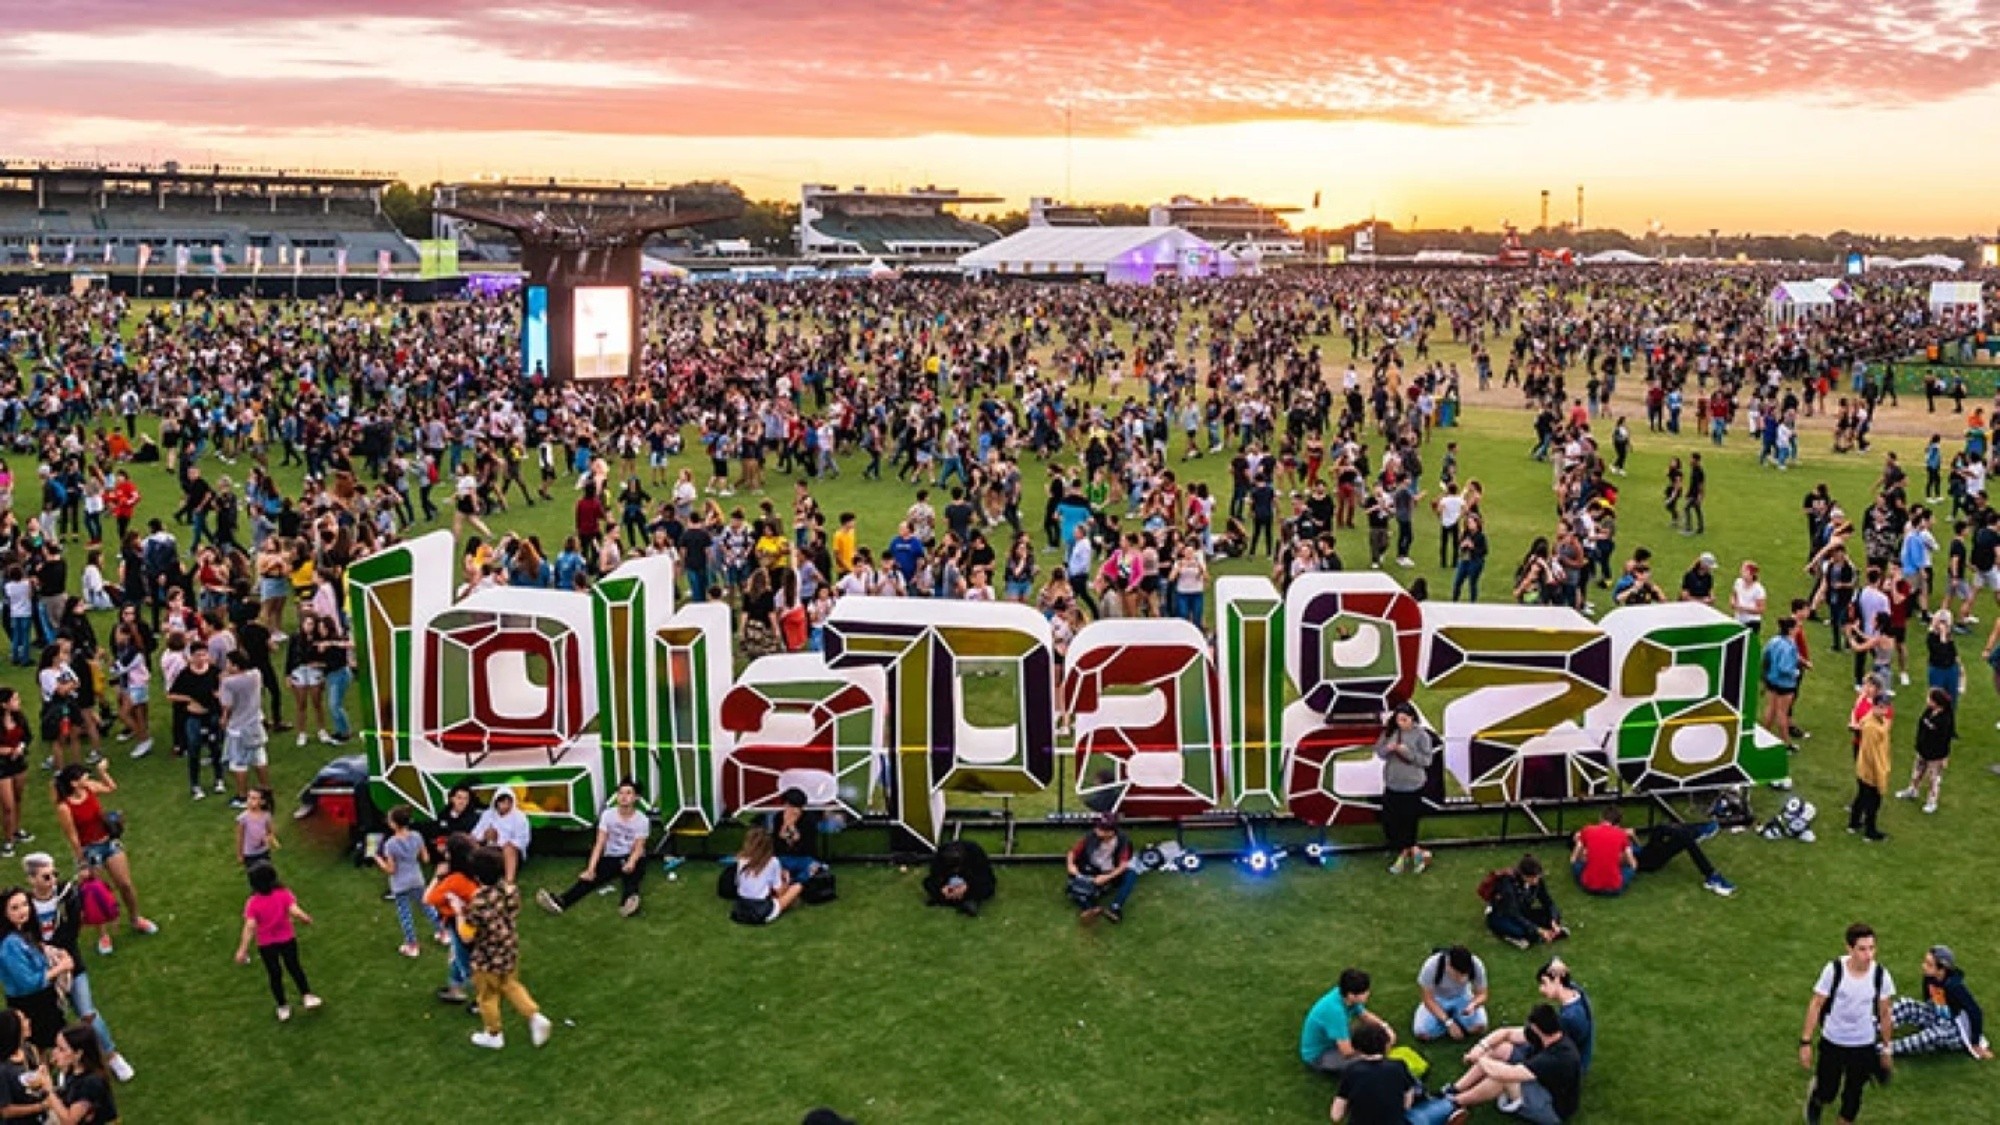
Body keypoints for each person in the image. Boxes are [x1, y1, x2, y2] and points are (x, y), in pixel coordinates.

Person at [21, 854, 133, 1082]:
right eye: (46, 876)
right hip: (44, 972)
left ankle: (111, 1056)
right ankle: (64, 1069)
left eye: (54, 874)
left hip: (72, 965)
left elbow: (72, 930)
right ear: (32, 879)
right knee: (53, 1023)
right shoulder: (26, 905)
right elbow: (25, 935)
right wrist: (45, 953)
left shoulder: (67, 894)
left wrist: (55, 952)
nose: (52, 879)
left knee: (88, 1013)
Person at [51, 765, 156, 952]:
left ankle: (135, 919)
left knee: (125, 884)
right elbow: (72, 836)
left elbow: (110, 788)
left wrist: (103, 772)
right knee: (96, 892)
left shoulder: (89, 787)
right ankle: (103, 935)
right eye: (83, 776)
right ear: (74, 783)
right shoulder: (64, 807)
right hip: (89, 850)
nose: (87, 777)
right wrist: (82, 861)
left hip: (108, 843)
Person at [1801, 923, 1896, 1125]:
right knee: (1828, 1091)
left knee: (1853, 1095)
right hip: (1833, 1040)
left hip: (1863, 1043)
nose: (1868, 954)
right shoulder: (1834, 970)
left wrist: (1887, 1049)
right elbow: (1816, 1003)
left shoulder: (1880, 976)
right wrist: (1806, 1042)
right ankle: (1817, 1098)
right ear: (1849, 948)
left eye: (1872, 948)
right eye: (1862, 949)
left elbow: (1885, 1013)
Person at [461, 845, 552, 1049]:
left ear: (477, 875)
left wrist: (460, 912)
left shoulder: (478, 902)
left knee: (487, 996)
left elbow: (467, 936)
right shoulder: (510, 889)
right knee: (511, 985)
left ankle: (494, 1034)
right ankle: (535, 1016)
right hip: (509, 948)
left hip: (487, 957)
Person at [1440, 1004, 1581, 1125]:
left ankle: (1455, 1102)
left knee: (1502, 1080)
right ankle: (1455, 1089)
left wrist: (1479, 1059)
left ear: (1537, 1028)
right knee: (1501, 1049)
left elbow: (1506, 1074)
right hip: (1540, 1079)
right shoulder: (1551, 1033)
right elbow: (1506, 1033)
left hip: (1552, 1107)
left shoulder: (1557, 1057)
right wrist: (1480, 1048)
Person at [537, 779, 650, 919]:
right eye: (620, 793)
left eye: (628, 793)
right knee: (589, 879)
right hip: (611, 856)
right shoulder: (608, 815)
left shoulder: (642, 820)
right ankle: (561, 902)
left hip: (633, 855)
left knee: (631, 877)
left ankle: (629, 903)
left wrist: (631, 862)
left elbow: (639, 847)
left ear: (636, 798)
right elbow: (599, 843)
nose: (623, 797)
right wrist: (590, 869)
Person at [1570, 804, 1736, 897]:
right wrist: (1627, 840)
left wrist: (1631, 837)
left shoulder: (1593, 837)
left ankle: (1698, 829)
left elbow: (1633, 848)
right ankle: (1711, 875)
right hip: (1648, 861)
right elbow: (1629, 863)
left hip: (1643, 851)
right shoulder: (1587, 849)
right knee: (1683, 839)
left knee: (1662, 828)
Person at [234, 862, 320, 1022]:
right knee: (294, 967)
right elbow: (294, 910)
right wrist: (305, 918)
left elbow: (250, 926)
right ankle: (307, 996)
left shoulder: (253, 903)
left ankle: (282, 1006)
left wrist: (242, 949)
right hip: (287, 938)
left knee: (274, 974)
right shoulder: (283, 894)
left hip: (266, 944)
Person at [0, 887, 70, 1051]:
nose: (22, 911)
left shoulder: (23, 933)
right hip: (32, 1004)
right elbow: (28, 982)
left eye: (25, 904)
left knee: (50, 1047)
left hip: (41, 1000)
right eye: (14, 908)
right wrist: (61, 967)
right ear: (4, 913)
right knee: (45, 1048)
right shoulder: (10, 945)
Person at [1890, 945, 1990, 1058]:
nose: (1923, 966)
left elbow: (1976, 1012)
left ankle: (1882, 1050)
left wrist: (1975, 1042)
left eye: (1929, 964)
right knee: (1906, 1005)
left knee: (1930, 1036)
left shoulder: (1954, 987)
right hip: (1935, 1015)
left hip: (1952, 1028)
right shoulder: (1929, 978)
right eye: (1925, 962)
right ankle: (1871, 1029)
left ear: (1942, 969)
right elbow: (1928, 999)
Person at [1375, 703, 1435, 875]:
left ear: (1413, 719)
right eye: (1398, 719)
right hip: (1393, 783)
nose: (1401, 723)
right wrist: (1388, 748)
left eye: (1405, 719)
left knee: (1409, 822)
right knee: (1391, 820)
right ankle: (1417, 854)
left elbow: (1426, 761)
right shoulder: (1390, 732)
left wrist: (1407, 752)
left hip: (1412, 786)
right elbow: (1379, 752)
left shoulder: (1421, 735)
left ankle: (1403, 857)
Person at [1301, 967, 1395, 1077]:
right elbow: (1347, 1052)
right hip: (1320, 1055)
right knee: (1368, 1064)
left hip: (1334, 1040)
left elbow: (1364, 1015)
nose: (1368, 993)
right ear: (1352, 995)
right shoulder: (1335, 1012)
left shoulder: (1343, 995)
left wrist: (1385, 1027)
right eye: (1365, 992)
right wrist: (1376, 1052)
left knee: (1370, 1038)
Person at [1329, 1021, 1419, 1125]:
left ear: (1356, 1047)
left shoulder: (1351, 1071)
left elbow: (1336, 1115)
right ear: (1386, 1044)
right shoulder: (1398, 1066)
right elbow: (1408, 1098)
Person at [217, 651, 269, 809]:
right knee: (259, 759)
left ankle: (241, 796)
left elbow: (227, 704)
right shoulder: (256, 674)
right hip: (255, 724)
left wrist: (224, 718)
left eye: (229, 663)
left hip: (238, 728)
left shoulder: (229, 683)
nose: (226, 666)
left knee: (239, 764)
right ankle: (266, 790)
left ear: (235, 666)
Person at [376, 806, 429, 957]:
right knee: (427, 907)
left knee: (405, 914)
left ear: (394, 824)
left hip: (400, 884)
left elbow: (391, 870)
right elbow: (425, 858)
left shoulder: (390, 844)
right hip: (417, 879)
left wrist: (378, 859)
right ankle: (443, 933)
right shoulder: (417, 836)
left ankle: (412, 945)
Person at [1063, 813, 1136, 924]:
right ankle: (1090, 908)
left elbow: (1123, 864)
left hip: (1110, 871)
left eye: (1102, 829)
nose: (1098, 831)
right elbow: (1072, 852)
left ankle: (1115, 907)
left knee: (1131, 875)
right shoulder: (1090, 836)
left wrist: (1107, 876)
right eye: (1098, 827)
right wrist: (1070, 865)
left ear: (1111, 832)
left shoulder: (1122, 841)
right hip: (1091, 868)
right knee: (1076, 887)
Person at [1483, 854, 1566, 948]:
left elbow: (1548, 901)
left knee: (1552, 915)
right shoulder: (1508, 886)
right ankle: (1513, 937)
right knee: (1521, 931)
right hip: (1503, 915)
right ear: (1523, 875)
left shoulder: (1537, 881)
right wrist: (1537, 930)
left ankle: (1548, 931)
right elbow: (1514, 914)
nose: (1535, 881)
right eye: (1532, 878)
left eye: (1537, 877)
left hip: (1523, 910)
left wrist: (1553, 919)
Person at [43, 1023, 117, 1125]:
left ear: (78, 1054)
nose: (54, 1052)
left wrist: (48, 1090)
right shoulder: (72, 1070)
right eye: (56, 1046)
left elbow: (69, 1121)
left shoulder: (91, 1083)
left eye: (62, 1049)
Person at [1896, 687, 1954, 815]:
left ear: (1936, 702)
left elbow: (1946, 739)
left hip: (1936, 755)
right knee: (1917, 772)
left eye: (1929, 698)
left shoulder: (1945, 719)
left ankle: (1932, 802)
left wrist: (1944, 757)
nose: (1927, 700)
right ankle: (1912, 790)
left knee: (1934, 779)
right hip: (1923, 750)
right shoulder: (1929, 711)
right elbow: (1921, 725)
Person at [1414, 946, 1490, 1043]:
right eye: (1457, 974)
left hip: (1462, 996)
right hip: (1437, 999)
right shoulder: (1431, 966)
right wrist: (1448, 1023)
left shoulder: (1477, 965)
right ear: (1448, 965)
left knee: (1480, 1027)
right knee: (1422, 1033)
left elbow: (1482, 994)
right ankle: (1452, 1022)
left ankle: (1455, 1022)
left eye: (1464, 975)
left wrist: (1473, 1005)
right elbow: (1428, 999)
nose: (1460, 978)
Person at [730, 826, 800, 925]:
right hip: (761, 911)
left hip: (740, 909)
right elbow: (780, 891)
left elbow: (738, 883)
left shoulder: (742, 860)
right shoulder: (773, 862)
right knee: (797, 887)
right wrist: (786, 881)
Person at [1850, 694, 1891, 842]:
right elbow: (1871, 753)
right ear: (1874, 706)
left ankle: (1853, 824)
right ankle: (1870, 831)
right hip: (1871, 770)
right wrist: (1879, 773)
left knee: (1861, 796)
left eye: (1885, 707)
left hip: (1865, 768)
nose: (1884, 710)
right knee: (1874, 801)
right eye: (1880, 707)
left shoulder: (1872, 721)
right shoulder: (1872, 727)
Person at [471, 786, 532, 884]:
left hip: (511, 853)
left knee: (509, 848)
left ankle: (509, 881)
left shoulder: (520, 817)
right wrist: (485, 835)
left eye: (508, 802)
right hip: (489, 848)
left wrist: (502, 843)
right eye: (502, 802)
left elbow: (523, 841)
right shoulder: (487, 815)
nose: (505, 805)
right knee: (473, 845)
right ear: (496, 802)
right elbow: (475, 834)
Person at [922, 838, 996, 916]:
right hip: (948, 884)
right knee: (929, 884)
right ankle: (954, 900)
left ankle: (968, 901)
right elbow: (935, 876)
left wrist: (966, 887)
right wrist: (943, 888)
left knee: (985, 887)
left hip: (971, 883)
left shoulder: (975, 852)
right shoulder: (940, 856)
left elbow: (987, 877)